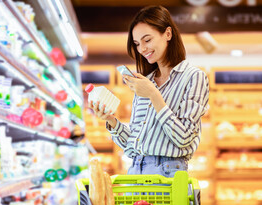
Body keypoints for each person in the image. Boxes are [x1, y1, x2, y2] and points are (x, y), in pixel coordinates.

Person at [88, 5, 209, 178]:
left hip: (169, 173)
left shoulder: (194, 77)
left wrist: (154, 95)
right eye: (137, 44)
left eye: (147, 40)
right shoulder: (146, 81)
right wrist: (111, 120)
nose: (142, 49)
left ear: (167, 34)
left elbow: (184, 138)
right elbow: (133, 146)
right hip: (136, 171)